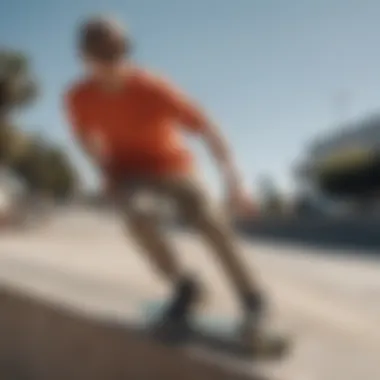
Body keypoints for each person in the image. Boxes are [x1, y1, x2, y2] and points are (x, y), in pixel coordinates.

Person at [64, 15, 268, 338]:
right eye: (102, 58)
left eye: (118, 56)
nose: (113, 66)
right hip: (129, 172)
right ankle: (186, 287)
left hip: (175, 168)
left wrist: (235, 182)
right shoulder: (78, 98)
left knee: (211, 223)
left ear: (125, 53)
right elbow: (84, 139)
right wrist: (105, 171)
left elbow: (208, 129)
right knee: (136, 215)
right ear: (84, 58)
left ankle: (252, 298)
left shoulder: (152, 87)